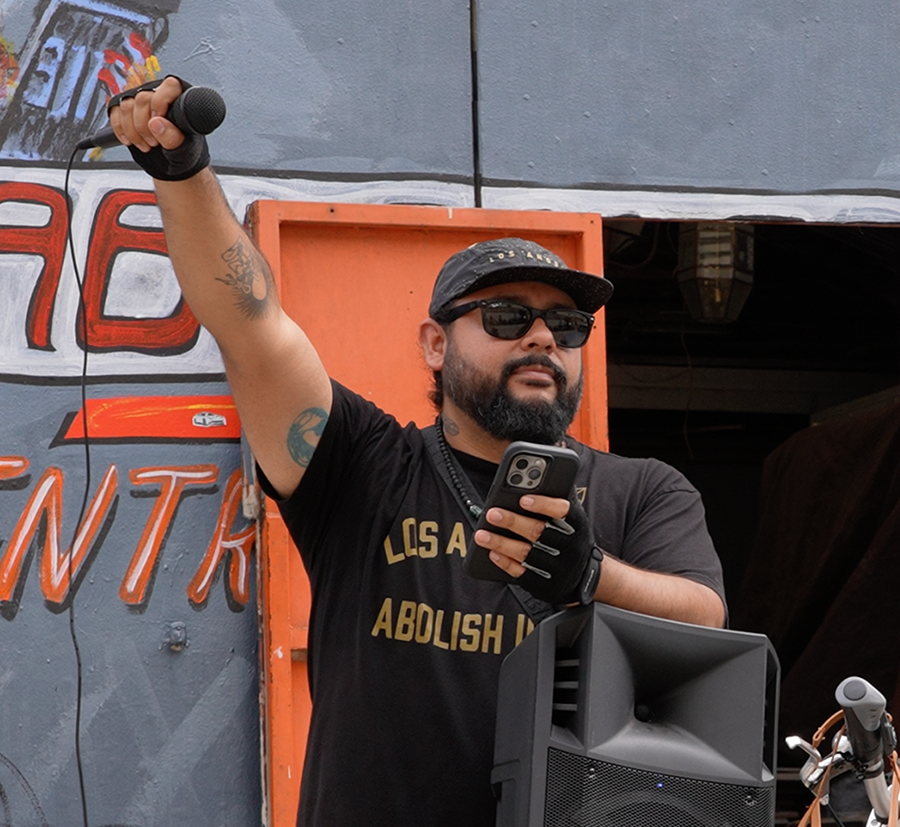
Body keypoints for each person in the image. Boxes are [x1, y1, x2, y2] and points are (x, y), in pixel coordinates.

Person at [106, 76, 726, 827]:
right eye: (506, 316)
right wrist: (182, 170)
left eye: (568, 326)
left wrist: (589, 574)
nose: (542, 337)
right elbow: (251, 326)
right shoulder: (364, 464)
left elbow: (707, 625)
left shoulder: (645, 490)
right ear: (435, 344)